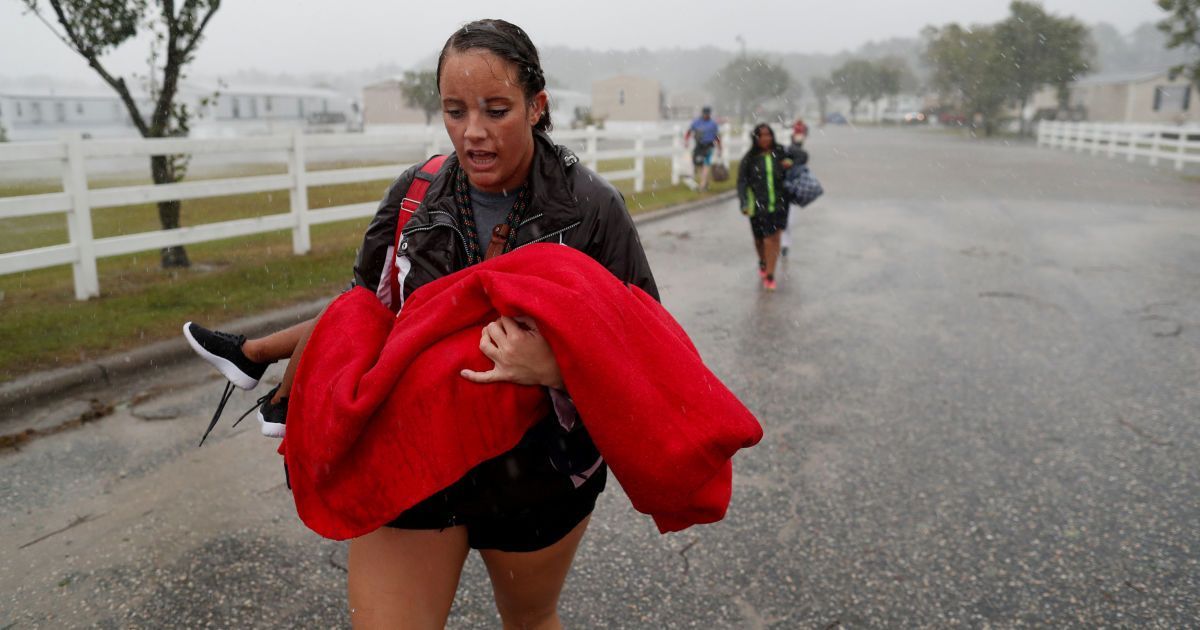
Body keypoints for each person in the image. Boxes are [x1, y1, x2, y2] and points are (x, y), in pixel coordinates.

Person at [185, 18, 657, 628]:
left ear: (538, 106)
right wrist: (302, 386)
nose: (474, 132)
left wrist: (555, 366)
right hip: (407, 455)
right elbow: (360, 315)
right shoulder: (416, 192)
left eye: (496, 109)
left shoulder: (593, 210)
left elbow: (649, 350)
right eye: (455, 111)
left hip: (538, 472)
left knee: (531, 621)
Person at [737, 123, 791, 291]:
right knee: (760, 239)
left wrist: (791, 161)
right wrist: (744, 202)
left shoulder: (780, 152)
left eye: (768, 135)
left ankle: (770, 274)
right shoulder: (750, 158)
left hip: (780, 204)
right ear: (756, 138)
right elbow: (742, 182)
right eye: (761, 135)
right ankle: (763, 261)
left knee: (773, 238)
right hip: (758, 206)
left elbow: (801, 155)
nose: (765, 138)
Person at [780, 119, 810, 258]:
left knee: (788, 221)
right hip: (778, 191)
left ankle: (785, 244)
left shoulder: (800, 158)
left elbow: (803, 156)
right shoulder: (778, 159)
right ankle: (778, 242)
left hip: (790, 192)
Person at [684, 106, 722, 191]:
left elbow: (717, 137)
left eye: (707, 114)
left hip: (709, 146)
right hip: (699, 146)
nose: (706, 115)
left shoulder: (713, 124)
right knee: (699, 164)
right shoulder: (697, 122)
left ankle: (702, 185)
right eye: (705, 114)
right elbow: (689, 131)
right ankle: (705, 183)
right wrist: (686, 141)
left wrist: (719, 147)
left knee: (706, 164)